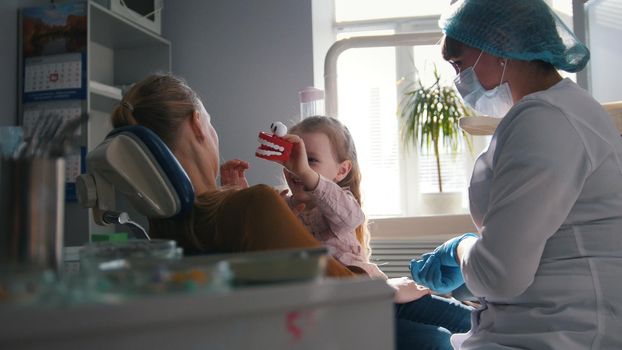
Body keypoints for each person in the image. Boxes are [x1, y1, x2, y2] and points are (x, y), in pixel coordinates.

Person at [409, 0, 622, 349]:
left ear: (501, 41)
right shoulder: (557, 109)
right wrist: (471, 270)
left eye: (459, 63)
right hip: (545, 321)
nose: (458, 79)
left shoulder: (545, 118)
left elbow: (499, 275)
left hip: (563, 333)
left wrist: (461, 249)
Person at [223, 116, 472, 349]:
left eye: (311, 160)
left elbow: (350, 217)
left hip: (380, 294)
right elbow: (257, 246)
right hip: (353, 311)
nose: (297, 168)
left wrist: (308, 175)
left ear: (341, 171)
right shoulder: (281, 206)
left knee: (469, 319)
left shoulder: (339, 202)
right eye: (293, 158)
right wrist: (239, 199)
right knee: (437, 340)